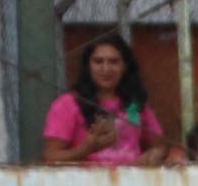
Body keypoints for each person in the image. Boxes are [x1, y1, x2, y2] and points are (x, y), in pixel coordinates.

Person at [42, 35, 168, 168]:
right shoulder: (68, 104)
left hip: (132, 182)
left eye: (113, 62)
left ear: (124, 65)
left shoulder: (133, 104)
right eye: (98, 62)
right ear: (88, 66)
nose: (106, 69)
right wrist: (86, 149)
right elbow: (51, 158)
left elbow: (159, 145)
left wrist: (156, 153)